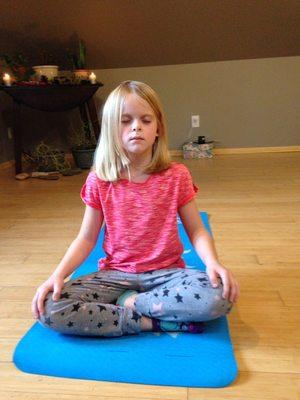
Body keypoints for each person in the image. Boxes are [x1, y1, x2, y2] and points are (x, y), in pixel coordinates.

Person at [31, 80, 240, 337]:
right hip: (115, 276)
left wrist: (213, 263)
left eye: (145, 120)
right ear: (111, 129)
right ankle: (150, 321)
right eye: (125, 120)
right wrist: (57, 275)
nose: (136, 127)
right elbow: (86, 238)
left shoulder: (177, 176)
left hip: (167, 275)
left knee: (219, 297)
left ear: (158, 128)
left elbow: (196, 230)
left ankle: (130, 304)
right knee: (50, 308)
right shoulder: (99, 179)